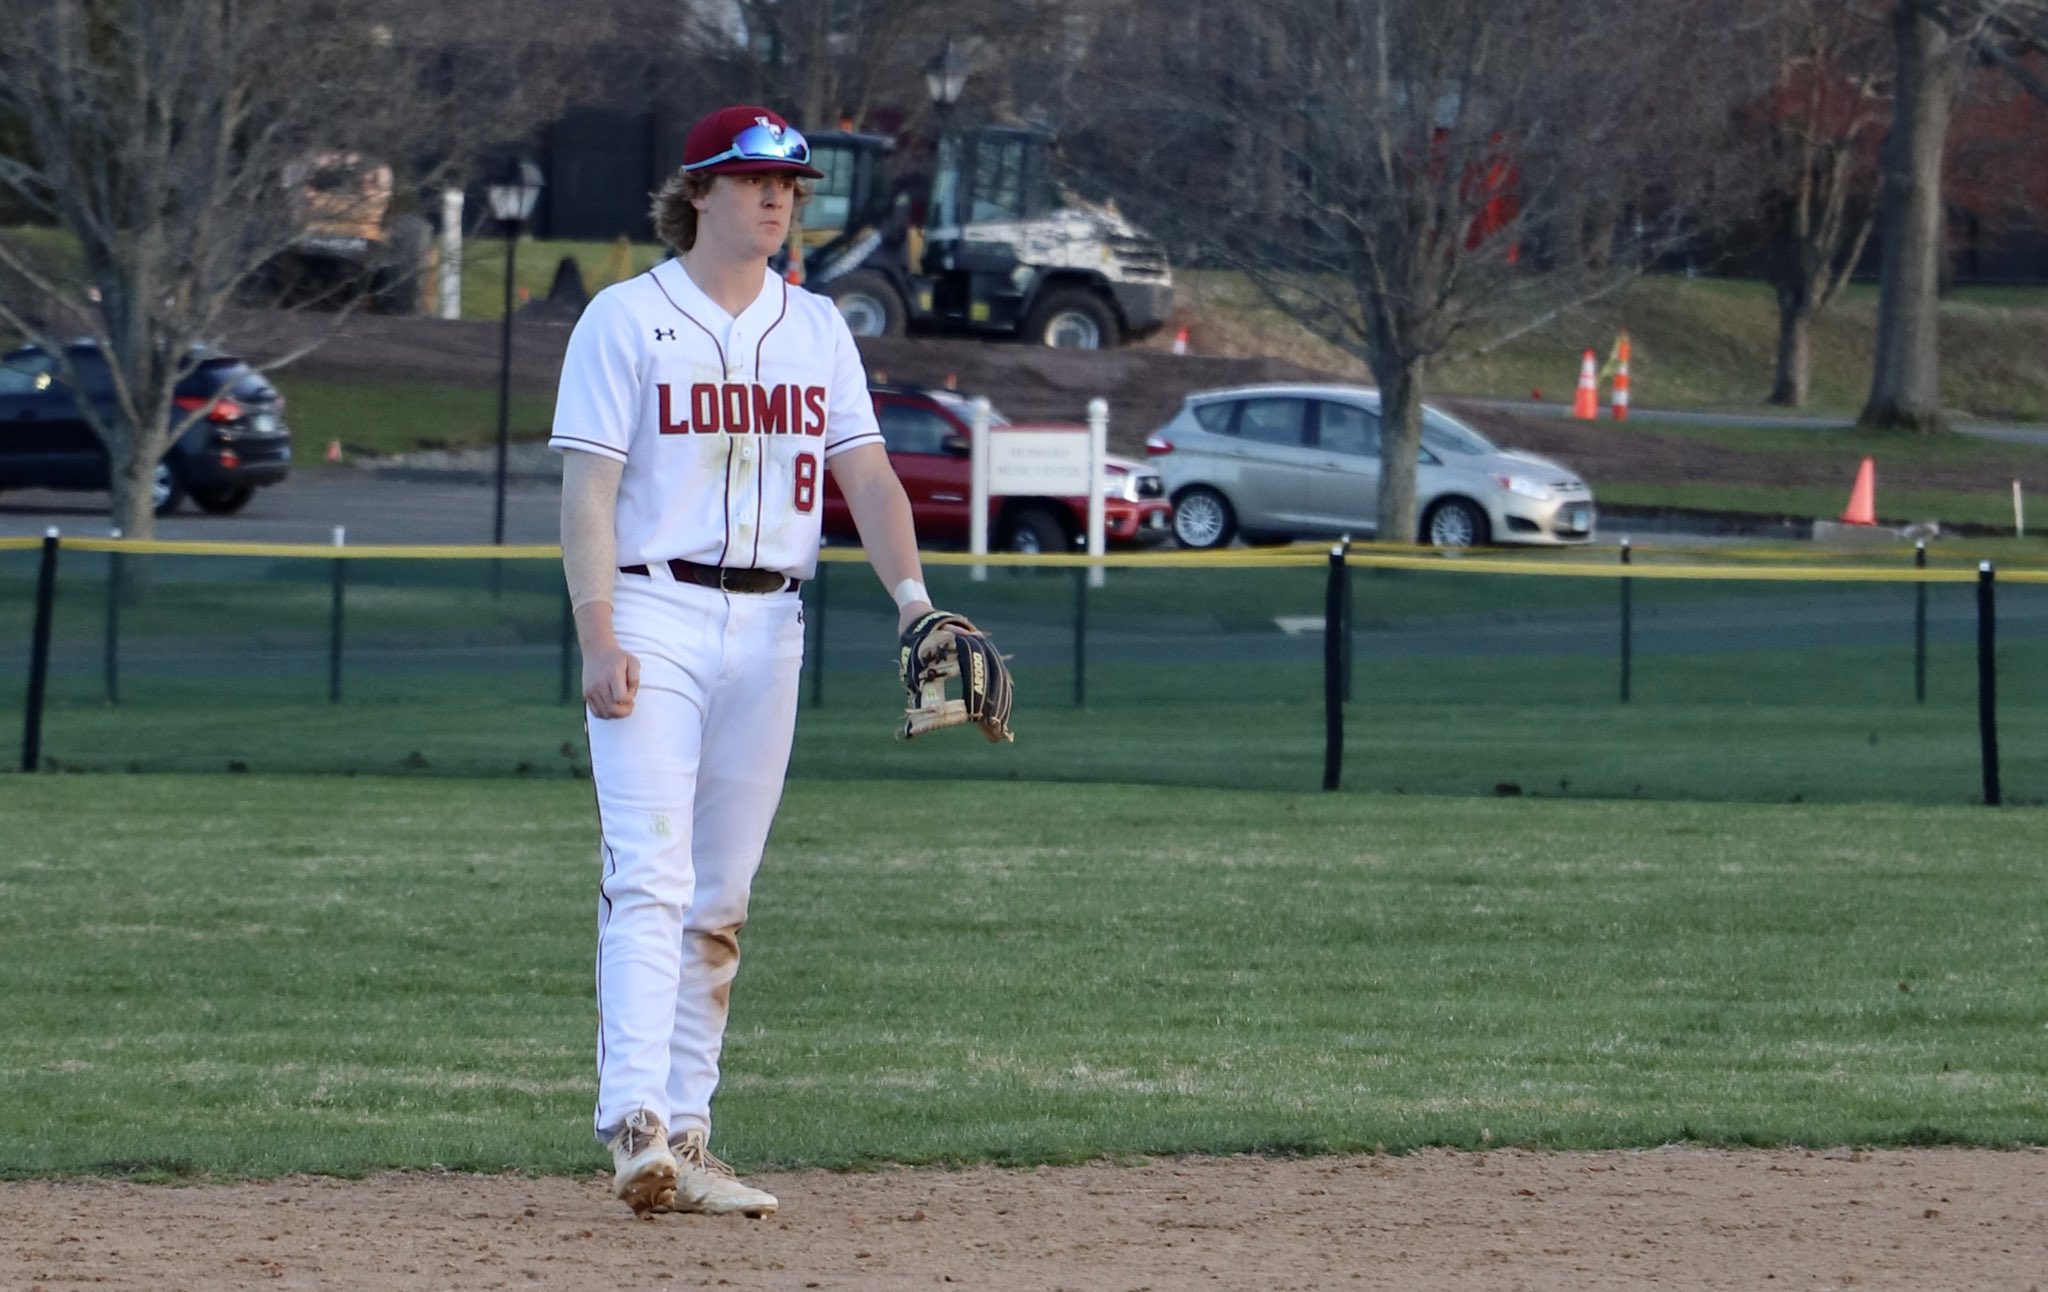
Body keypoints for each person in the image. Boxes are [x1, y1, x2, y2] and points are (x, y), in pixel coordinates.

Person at [550, 104, 938, 1220]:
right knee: (650, 872)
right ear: (698, 191)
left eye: (789, 185)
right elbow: (588, 490)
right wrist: (597, 633)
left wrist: (913, 601)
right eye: (752, 179)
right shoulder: (627, 318)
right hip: (651, 611)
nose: (775, 198)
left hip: (772, 626)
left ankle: (688, 1138)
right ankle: (634, 1123)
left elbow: (867, 475)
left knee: (720, 895)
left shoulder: (814, 327)